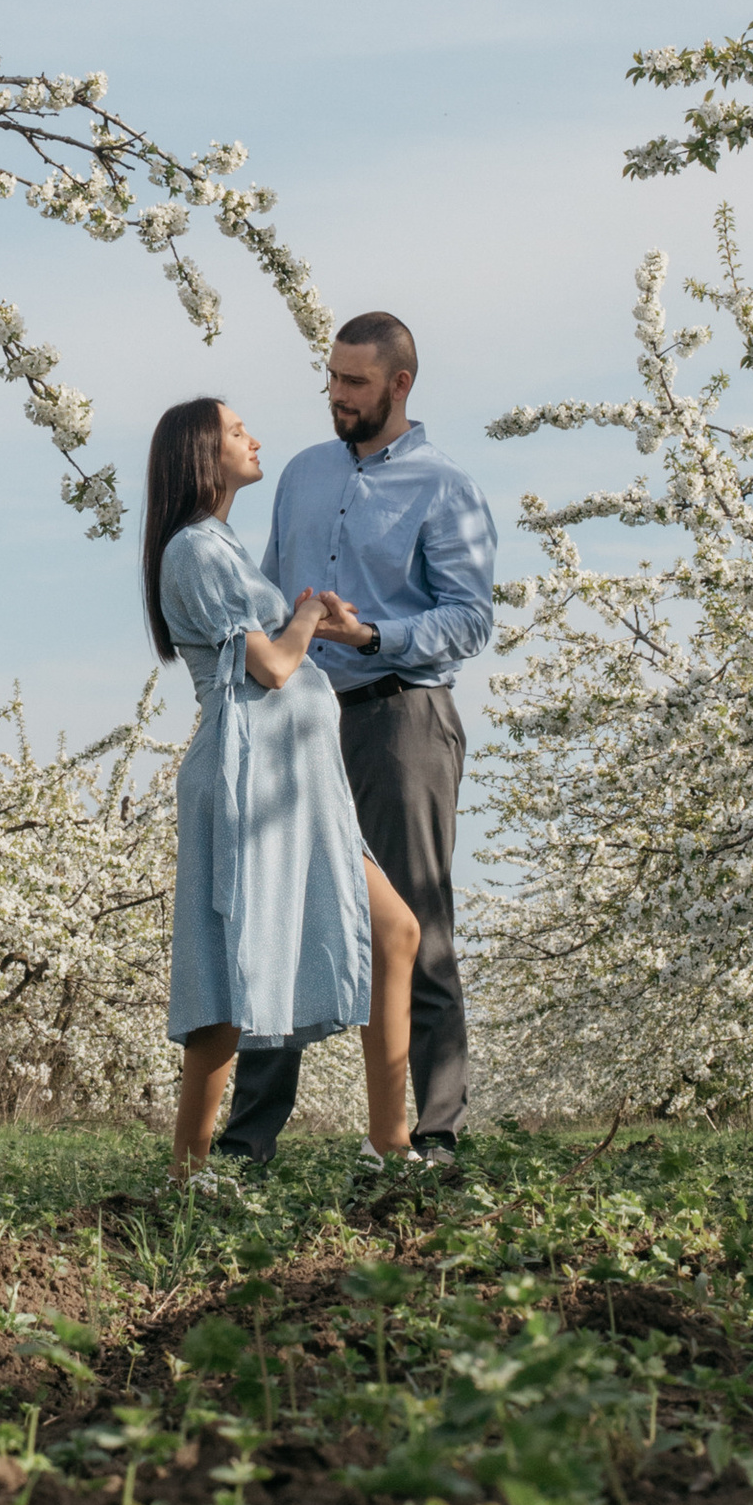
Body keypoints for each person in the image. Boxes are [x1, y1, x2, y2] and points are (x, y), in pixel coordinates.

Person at [217, 312, 495, 1170]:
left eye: (355, 383)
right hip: (301, 725)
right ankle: (248, 1143)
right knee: (280, 917)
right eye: (332, 380)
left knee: (416, 922)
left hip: (399, 718)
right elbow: (268, 590)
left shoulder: (446, 488)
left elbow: (471, 618)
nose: (337, 395)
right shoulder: (301, 474)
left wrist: (371, 635)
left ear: (399, 384)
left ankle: (434, 1138)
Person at [144, 393, 420, 1185]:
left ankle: (389, 1146)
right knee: (232, 980)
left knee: (395, 931)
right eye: (237, 431)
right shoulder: (193, 548)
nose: (254, 438)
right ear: (202, 453)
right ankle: (187, 1177)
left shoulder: (222, 545)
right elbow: (268, 667)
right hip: (247, 777)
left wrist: (307, 619)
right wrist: (301, 621)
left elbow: (269, 649)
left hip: (298, 782)